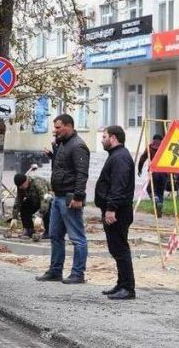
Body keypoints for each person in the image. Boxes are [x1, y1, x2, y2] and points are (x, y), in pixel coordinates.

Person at [36, 114, 90, 284]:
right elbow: (62, 168)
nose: (55, 130)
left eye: (58, 127)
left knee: (77, 238)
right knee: (55, 235)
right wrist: (53, 155)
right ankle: (55, 271)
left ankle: (78, 273)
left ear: (69, 126)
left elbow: (82, 174)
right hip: (58, 197)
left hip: (70, 198)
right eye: (55, 127)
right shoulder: (64, 144)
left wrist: (78, 196)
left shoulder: (78, 146)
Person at [95, 125, 137, 300]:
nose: (102, 140)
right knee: (116, 248)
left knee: (120, 249)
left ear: (113, 138)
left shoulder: (120, 158)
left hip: (118, 211)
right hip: (115, 209)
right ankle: (121, 284)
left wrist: (111, 209)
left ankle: (128, 288)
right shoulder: (116, 155)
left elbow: (118, 186)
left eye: (104, 137)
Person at [10, 173, 51, 240]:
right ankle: (29, 230)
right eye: (19, 187)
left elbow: (45, 199)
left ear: (26, 181)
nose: (20, 188)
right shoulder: (20, 186)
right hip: (34, 199)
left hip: (47, 198)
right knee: (24, 207)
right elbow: (18, 201)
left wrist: (40, 216)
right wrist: (14, 217)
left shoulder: (37, 183)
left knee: (47, 209)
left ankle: (48, 232)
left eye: (21, 186)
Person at [137, 133, 167, 216]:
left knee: (150, 189)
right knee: (160, 191)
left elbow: (142, 158)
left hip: (154, 172)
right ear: (162, 140)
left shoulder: (149, 147)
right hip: (164, 172)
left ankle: (155, 199)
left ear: (153, 139)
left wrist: (139, 169)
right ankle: (159, 210)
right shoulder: (165, 147)